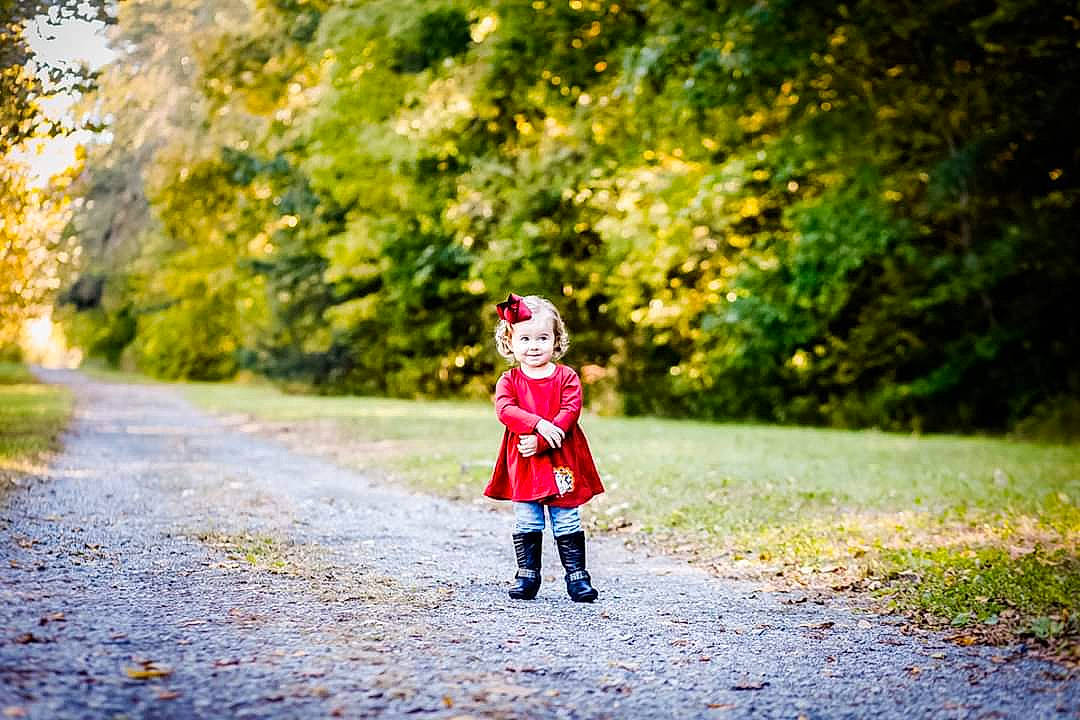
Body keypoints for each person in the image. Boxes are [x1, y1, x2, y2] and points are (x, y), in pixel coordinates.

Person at [484, 293, 605, 602]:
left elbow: (570, 411)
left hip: (561, 457)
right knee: (527, 517)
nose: (534, 345)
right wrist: (538, 424)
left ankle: (577, 577)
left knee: (566, 517)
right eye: (525, 338)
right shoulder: (509, 380)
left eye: (542, 338)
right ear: (511, 342)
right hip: (524, 460)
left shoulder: (567, 377)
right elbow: (505, 411)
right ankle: (527, 576)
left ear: (556, 340)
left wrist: (542, 439)